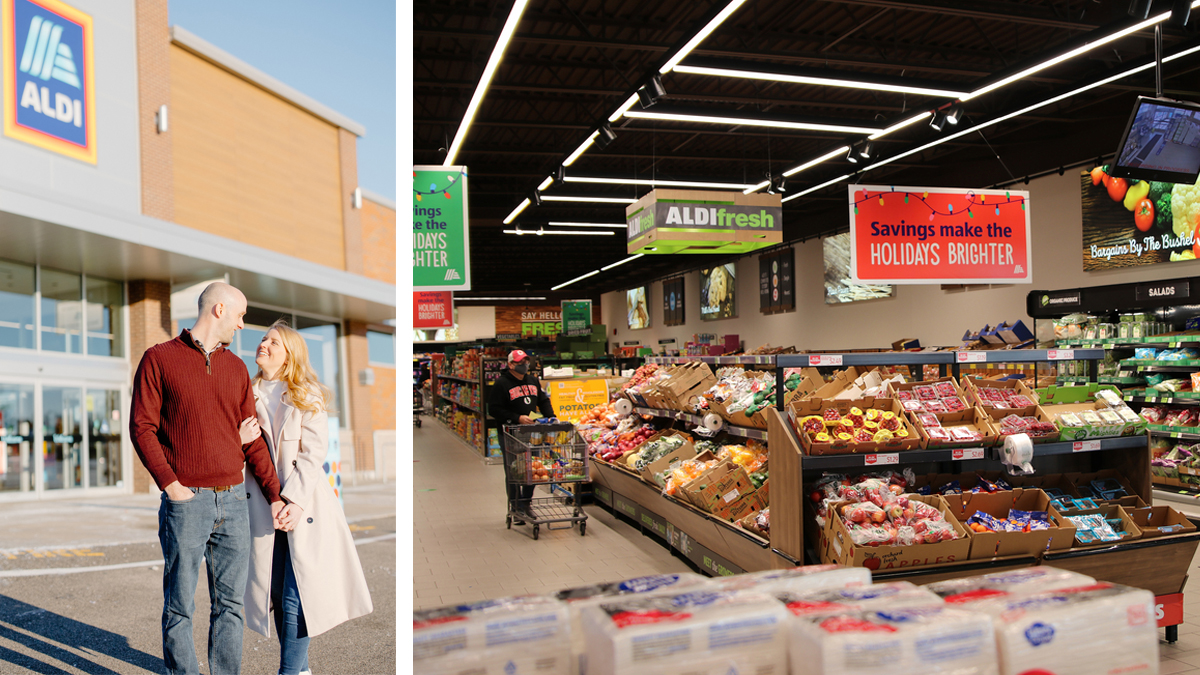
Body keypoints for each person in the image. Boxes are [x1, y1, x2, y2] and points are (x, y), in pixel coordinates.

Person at [131, 282, 284, 675]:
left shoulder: (235, 369)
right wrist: (171, 484)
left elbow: (252, 443)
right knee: (180, 605)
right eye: (240, 315)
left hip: (233, 501)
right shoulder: (159, 359)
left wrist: (275, 495)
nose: (243, 325)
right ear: (219, 310)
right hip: (186, 501)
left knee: (231, 606)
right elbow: (142, 427)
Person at [237, 320, 373, 675]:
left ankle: (289, 671)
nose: (264, 344)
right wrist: (238, 439)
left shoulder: (305, 393)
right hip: (263, 507)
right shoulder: (244, 395)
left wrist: (294, 502)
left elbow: (314, 455)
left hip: (305, 505)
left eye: (274, 342)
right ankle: (301, 669)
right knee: (279, 593)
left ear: (290, 355)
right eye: (263, 339)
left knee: (298, 596)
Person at [488, 350, 556, 524]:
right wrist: (517, 418)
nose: (525, 365)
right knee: (513, 470)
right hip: (510, 433)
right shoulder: (501, 384)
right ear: (510, 364)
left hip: (531, 433)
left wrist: (551, 417)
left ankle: (526, 503)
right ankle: (515, 506)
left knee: (533, 470)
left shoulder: (533, 380)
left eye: (526, 361)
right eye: (520, 362)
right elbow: (494, 410)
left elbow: (543, 400)